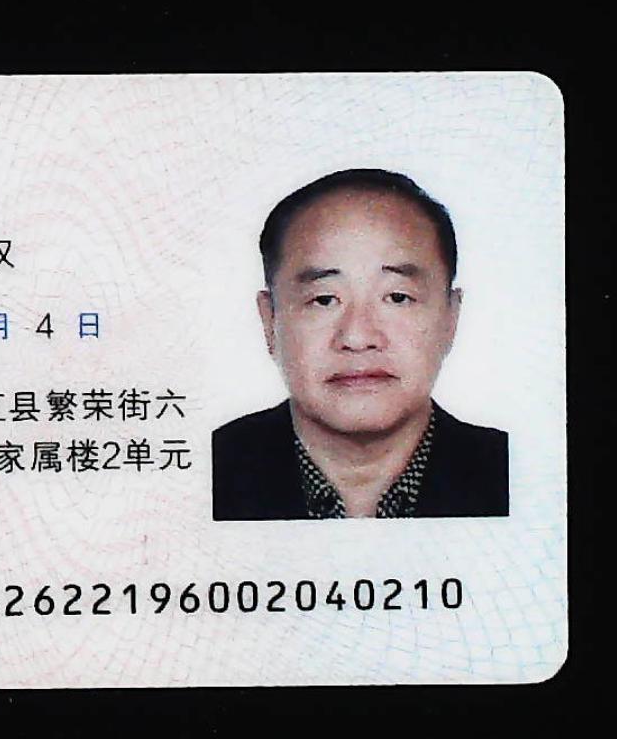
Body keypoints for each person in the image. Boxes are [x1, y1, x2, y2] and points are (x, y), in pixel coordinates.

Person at [212, 168, 510, 519]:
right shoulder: (207, 473)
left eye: (397, 297)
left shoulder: (517, 474)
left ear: (450, 317)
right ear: (269, 320)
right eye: (324, 300)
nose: (357, 338)